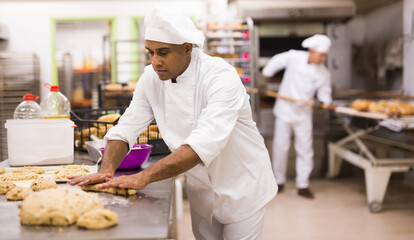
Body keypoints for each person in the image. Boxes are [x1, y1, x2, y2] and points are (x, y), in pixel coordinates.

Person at [68, 7, 277, 240]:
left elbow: (202, 144)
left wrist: (144, 176)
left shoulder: (220, 77)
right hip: (201, 188)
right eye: (150, 53)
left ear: (187, 48)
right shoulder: (150, 78)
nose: (155, 62)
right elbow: (127, 127)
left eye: (163, 52)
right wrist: (107, 170)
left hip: (242, 184)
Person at [261, 34, 332, 199]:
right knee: (281, 146)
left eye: (325, 56)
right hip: (285, 110)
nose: (323, 58)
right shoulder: (294, 57)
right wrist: (265, 77)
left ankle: (303, 184)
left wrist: (321, 103)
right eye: (321, 55)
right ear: (311, 51)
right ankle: (279, 181)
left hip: (303, 114)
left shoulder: (324, 73)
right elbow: (276, 61)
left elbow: (325, 94)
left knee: (305, 149)